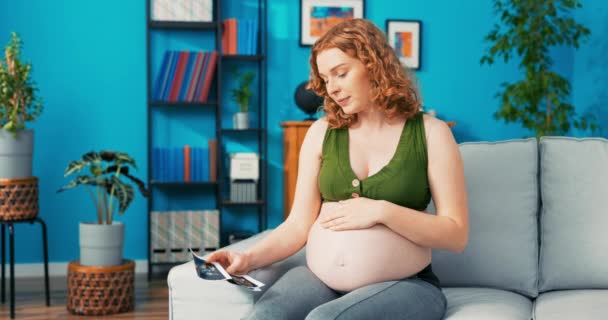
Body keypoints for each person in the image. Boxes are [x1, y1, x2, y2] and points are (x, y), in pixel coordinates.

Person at [207, 18, 469, 320]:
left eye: (340, 74)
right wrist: (247, 258)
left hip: (407, 285)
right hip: (320, 279)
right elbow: (297, 225)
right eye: (325, 79)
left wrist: (381, 210)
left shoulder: (430, 133)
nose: (331, 89)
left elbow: (456, 234)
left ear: (374, 65)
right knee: (265, 316)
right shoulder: (321, 133)